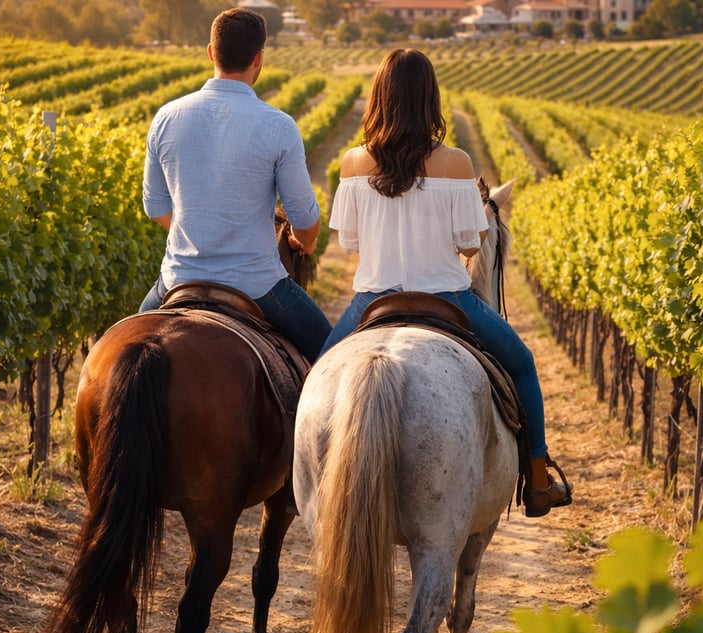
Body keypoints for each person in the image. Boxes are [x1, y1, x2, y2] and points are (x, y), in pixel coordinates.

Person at [321, 48, 572, 518]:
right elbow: (471, 246)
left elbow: (349, 245)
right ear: (430, 99)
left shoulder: (353, 163)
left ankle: (297, 484)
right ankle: (538, 480)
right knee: (522, 364)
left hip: (373, 299)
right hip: (447, 297)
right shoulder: (456, 163)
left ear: (378, 97)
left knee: (315, 377)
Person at [140, 7, 331, 363]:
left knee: (123, 350)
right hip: (257, 285)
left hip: (178, 279)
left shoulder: (166, 117)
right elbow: (304, 219)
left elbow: (155, 208)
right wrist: (305, 242)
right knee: (331, 356)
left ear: (211, 53)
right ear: (259, 58)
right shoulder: (278, 126)